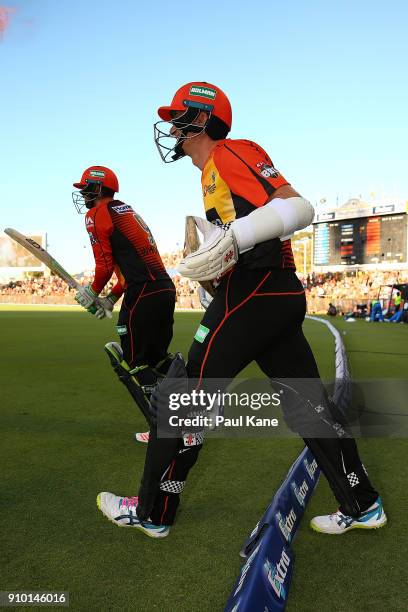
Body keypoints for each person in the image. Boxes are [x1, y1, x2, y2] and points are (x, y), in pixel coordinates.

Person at [97, 83, 386, 538]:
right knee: (309, 408)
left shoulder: (233, 152)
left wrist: (235, 238)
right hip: (269, 296)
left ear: (202, 119)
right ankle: (364, 504)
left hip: (256, 291)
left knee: (182, 398)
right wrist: (214, 262)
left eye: (179, 117)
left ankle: (153, 513)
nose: (171, 127)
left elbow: (297, 206)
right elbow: (235, 242)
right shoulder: (211, 172)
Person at [72, 166, 176, 442]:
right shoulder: (125, 211)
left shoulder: (96, 214)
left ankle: (162, 430)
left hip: (143, 291)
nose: (82, 194)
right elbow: (131, 268)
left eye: (85, 188)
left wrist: (92, 291)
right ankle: (191, 408)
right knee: (159, 359)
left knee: (137, 361)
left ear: (98, 189)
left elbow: (104, 264)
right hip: (162, 290)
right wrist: (109, 298)